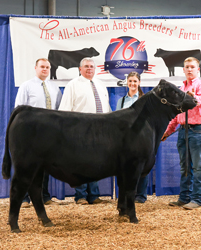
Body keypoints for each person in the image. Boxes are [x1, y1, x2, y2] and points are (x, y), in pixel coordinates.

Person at [161, 57, 201, 210]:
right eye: (187, 67)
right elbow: (176, 114)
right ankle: (184, 198)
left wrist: (192, 97)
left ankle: (198, 199)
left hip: (198, 130)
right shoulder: (181, 88)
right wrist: (167, 131)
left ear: (198, 69)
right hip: (183, 130)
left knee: (198, 166)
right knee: (185, 167)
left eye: (192, 67)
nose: (189, 69)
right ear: (183, 70)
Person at [59, 57, 110, 205]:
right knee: (80, 163)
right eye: (86, 66)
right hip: (79, 130)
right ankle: (80, 196)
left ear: (95, 69)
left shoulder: (101, 85)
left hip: (99, 130)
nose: (89, 69)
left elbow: (106, 108)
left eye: (92, 67)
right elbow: (65, 109)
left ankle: (94, 195)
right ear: (80, 69)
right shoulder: (72, 85)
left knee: (95, 164)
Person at [15, 58, 62, 208]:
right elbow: (19, 109)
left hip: (49, 132)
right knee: (27, 165)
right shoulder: (26, 86)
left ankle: (43, 195)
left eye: (47, 67)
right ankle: (24, 197)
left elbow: (59, 110)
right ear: (35, 68)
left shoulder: (54, 88)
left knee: (46, 165)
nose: (45, 69)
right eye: (42, 67)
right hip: (31, 132)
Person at [116, 71, 148, 204]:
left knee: (141, 167)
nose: (132, 84)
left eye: (135, 81)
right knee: (125, 168)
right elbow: (116, 119)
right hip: (125, 139)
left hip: (140, 138)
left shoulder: (144, 100)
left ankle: (141, 195)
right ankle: (126, 195)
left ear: (139, 82)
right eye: (130, 81)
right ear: (127, 83)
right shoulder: (121, 101)